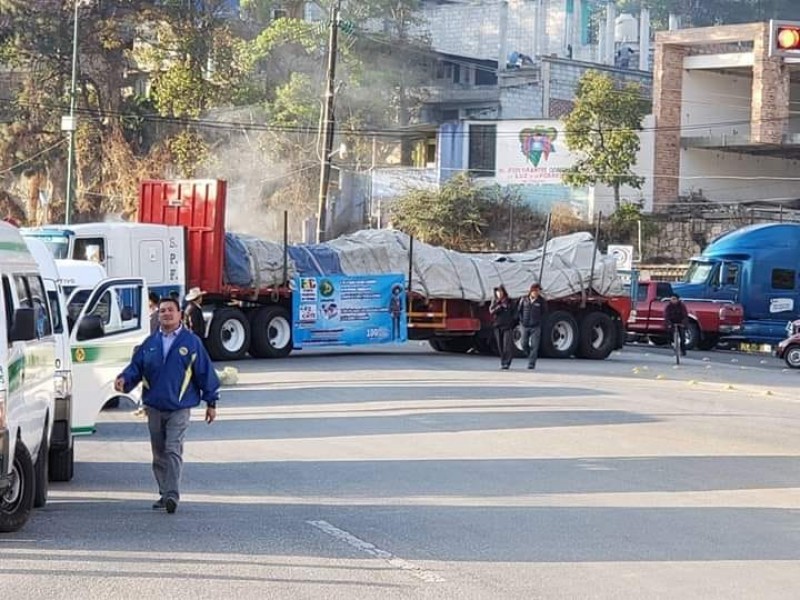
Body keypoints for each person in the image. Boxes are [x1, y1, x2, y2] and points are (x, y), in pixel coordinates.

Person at [114, 297, 219, 514]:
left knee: (173, 448)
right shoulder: (150, 343)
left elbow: (205, 373)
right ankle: (164, 492)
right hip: (154, 407)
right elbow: (135, 368)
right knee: (159, 452)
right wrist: (124, 380)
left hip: (179, 407)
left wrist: (211, 401)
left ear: (180, 314)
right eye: (162, 311)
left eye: (171, 310)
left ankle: (172, 494)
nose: (166, 314)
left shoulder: (191, 343)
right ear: (158, 315)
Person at [518, 283, 547, 370]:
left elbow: (544, 313)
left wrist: (539, 322)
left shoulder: (541, 301)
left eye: (539, 291)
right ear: (531, 291)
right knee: (523, 344)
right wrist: (521, 321)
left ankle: (531, 363)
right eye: (536, 291)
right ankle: (529, 355)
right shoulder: (524, 299)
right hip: (525, 325)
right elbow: (519, 311)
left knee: (535, 345)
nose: (537, 292)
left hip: (535, 326)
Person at [489, 285, 517, 370]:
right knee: (500, 346)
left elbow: (515, 313)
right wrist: (499, 307)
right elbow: (491, 311)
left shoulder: (509, 301)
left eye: (500, 292)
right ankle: (502, 361)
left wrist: (513, 322)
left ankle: (507, 362)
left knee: (507, 345)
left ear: (504, 292)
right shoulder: (495, 301)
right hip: (497, 326)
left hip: (507, 327)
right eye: (497, 292)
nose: (499, 294)